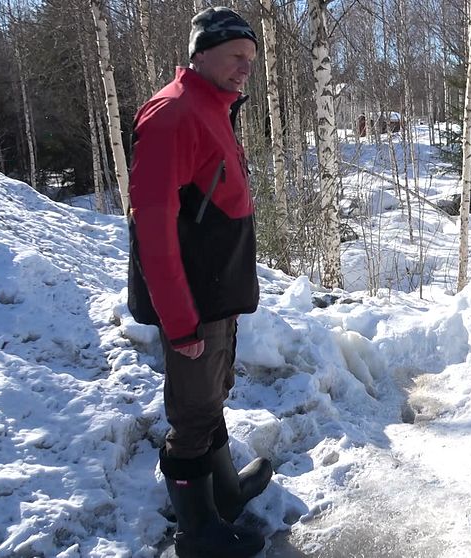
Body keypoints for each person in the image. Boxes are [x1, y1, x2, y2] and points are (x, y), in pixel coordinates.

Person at [126, 7, 271, 557]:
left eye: (251, 60)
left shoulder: (213, 106)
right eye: (236, 56)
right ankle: (198, 533)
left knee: (211, 398)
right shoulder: (171, 114)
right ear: (202, 52)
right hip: (192, 299)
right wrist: (180, 320)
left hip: (216, 291)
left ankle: (225, 494)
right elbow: (154, 234)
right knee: (190, 417)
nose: (244, 68)